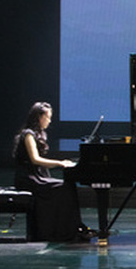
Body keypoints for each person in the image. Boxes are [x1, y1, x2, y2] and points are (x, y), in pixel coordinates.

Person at [13, 102, 90, 241]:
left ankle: (72, 228)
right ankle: (61, 232)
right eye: (48, 117)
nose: (49, 121)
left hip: (37, 176)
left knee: (68, 186)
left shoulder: (39, 134)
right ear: (39, 117)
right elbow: (35, 159)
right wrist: (60, 163)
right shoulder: (28, 135)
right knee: (64, 188)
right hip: (28, 178)